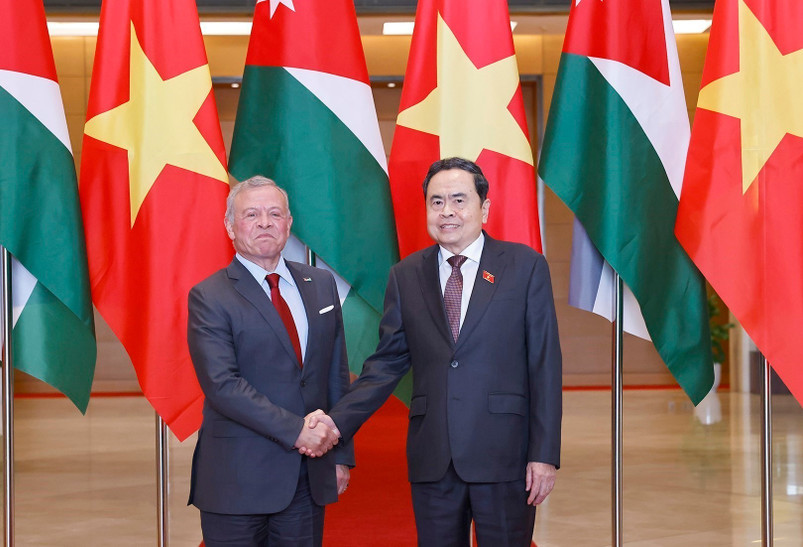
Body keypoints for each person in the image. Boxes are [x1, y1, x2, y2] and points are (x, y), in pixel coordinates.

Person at [312, 157, 562, 546]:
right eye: (436, 201)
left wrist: (544, 454)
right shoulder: (406, 275)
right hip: (433, 458)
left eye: (459, 200)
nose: (447, 211)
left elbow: (544, 366)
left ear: (485, 208)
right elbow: (386, 363)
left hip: (505, 455)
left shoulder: (525, 267)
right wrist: (335, 423)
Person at [187, 176, 353, 547]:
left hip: (307, 477)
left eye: (274, 213)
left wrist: (340, 455)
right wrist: (297, 430)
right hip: (237, 480)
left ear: (288, 223)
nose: (265, 222)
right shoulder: (210, 296)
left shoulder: (321, 284)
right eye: (252, 214)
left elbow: (334, 376)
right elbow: (222, 385)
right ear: (230, 226)